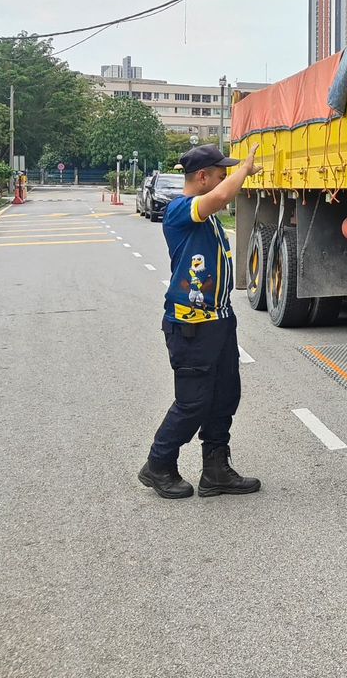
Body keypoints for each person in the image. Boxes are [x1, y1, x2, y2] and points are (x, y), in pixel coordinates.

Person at [138, 143, 265, 499]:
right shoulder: (181, 210)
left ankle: (216, 470)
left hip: (219, 321)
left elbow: (221, 196)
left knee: (224, 396)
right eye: (220, 174)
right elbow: (222, 196)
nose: (225, 180)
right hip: (190, 325)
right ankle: (158, 465)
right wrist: (244, 171)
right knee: (193, 402)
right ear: (202, 177)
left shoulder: (205, 216)